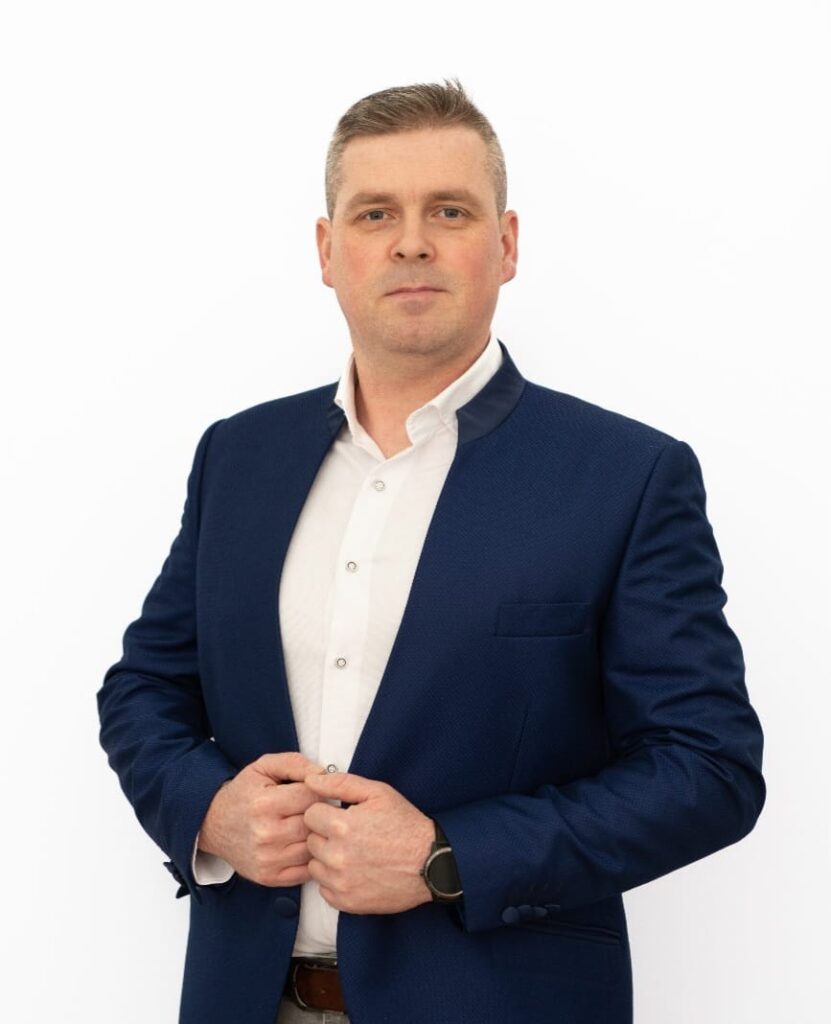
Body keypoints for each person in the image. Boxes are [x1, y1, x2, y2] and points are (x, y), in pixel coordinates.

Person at [96, 77, 766, 1024]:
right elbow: (144, 690)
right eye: (375, 213)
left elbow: (707, 768)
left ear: (506, 244)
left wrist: (447, 856)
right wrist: (208, 809)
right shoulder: (238, 457)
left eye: (448, 210)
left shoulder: (626, 476)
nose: (410, 241)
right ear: (327, 251)